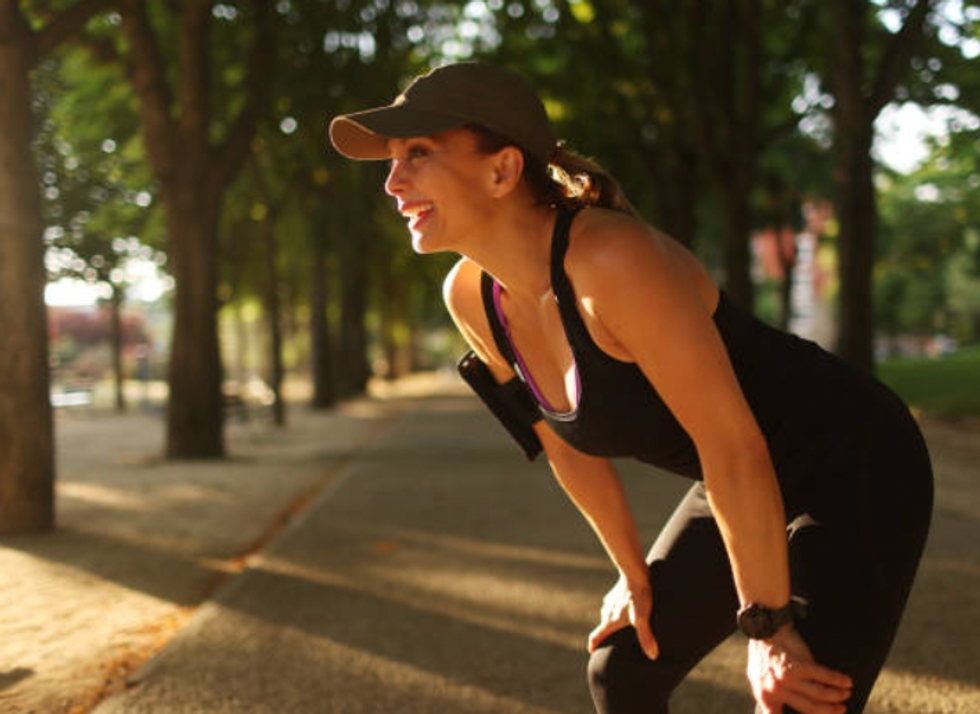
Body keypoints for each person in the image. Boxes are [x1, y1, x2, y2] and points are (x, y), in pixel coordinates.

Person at [328, 62, 933, 714]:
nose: (392, 183)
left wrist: (768, 625)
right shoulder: (473, 298)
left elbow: (734, 447)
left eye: (417, 154)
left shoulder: (612, 263)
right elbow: (564, 446)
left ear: (502, 170)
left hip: (854, 459)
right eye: (391, 161)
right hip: (734, 472)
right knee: (622, 668)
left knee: (796, 701)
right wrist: (632, 573)